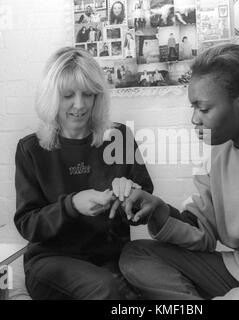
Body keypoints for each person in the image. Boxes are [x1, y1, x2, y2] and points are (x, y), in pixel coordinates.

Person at [118, 44, 239, 300]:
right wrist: (158, 209)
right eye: (193, 108)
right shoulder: (221, 150)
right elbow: (203, 231)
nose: (194, 120)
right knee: (137, 254)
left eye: (204, 108)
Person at [14, 47, 153, 300]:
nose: (79, 105)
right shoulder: (30, 149)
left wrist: (131, 196)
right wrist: (71, 205)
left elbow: (144, 211)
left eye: (87, 94)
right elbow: (28, 225)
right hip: (51, 261)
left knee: (139, 287)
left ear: (97, 97)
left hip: (110, 257)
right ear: (52, 97)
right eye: (68, 95)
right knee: (107, 289)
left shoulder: (119, 137)